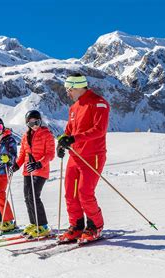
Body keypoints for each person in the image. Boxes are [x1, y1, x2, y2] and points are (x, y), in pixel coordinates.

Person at [57, 73, 110, 243]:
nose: (68, 93)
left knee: (84, 193)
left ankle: (95, 225)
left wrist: (74, 139)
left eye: (69, 89)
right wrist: (63, 141)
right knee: (70, 194)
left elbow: (99, 130)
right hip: (75, 155)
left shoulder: (98, 103)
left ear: (78, 87)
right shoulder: (73, 108)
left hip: (93, 155)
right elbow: (69, 130)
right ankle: (77, 225)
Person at [10, 110, 55, 238]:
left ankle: (43, 226)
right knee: (27, 197)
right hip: (27, 170)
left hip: (41, 170)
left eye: (37, 122)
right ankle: (34, 223)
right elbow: (23, 154)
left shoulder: (47, 134)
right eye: (32, 122)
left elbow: (50, 154)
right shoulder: (25, 137)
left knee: (34, 196)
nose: (35, 124)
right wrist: (16, 165)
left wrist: (39, 163)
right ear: (27, 123)